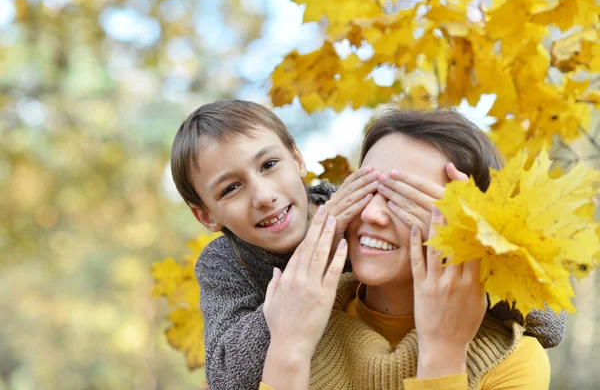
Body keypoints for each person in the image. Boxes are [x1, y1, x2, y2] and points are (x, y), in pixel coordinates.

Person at [170, 101, 564, 390]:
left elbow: (550, 321)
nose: (265, 196)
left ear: (297, 159)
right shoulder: (231, 268)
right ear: (205, 215)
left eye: (404, 198)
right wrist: (288, 337)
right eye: (231, 188)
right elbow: (224, 375)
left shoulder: (510, 359)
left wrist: (476, 245)